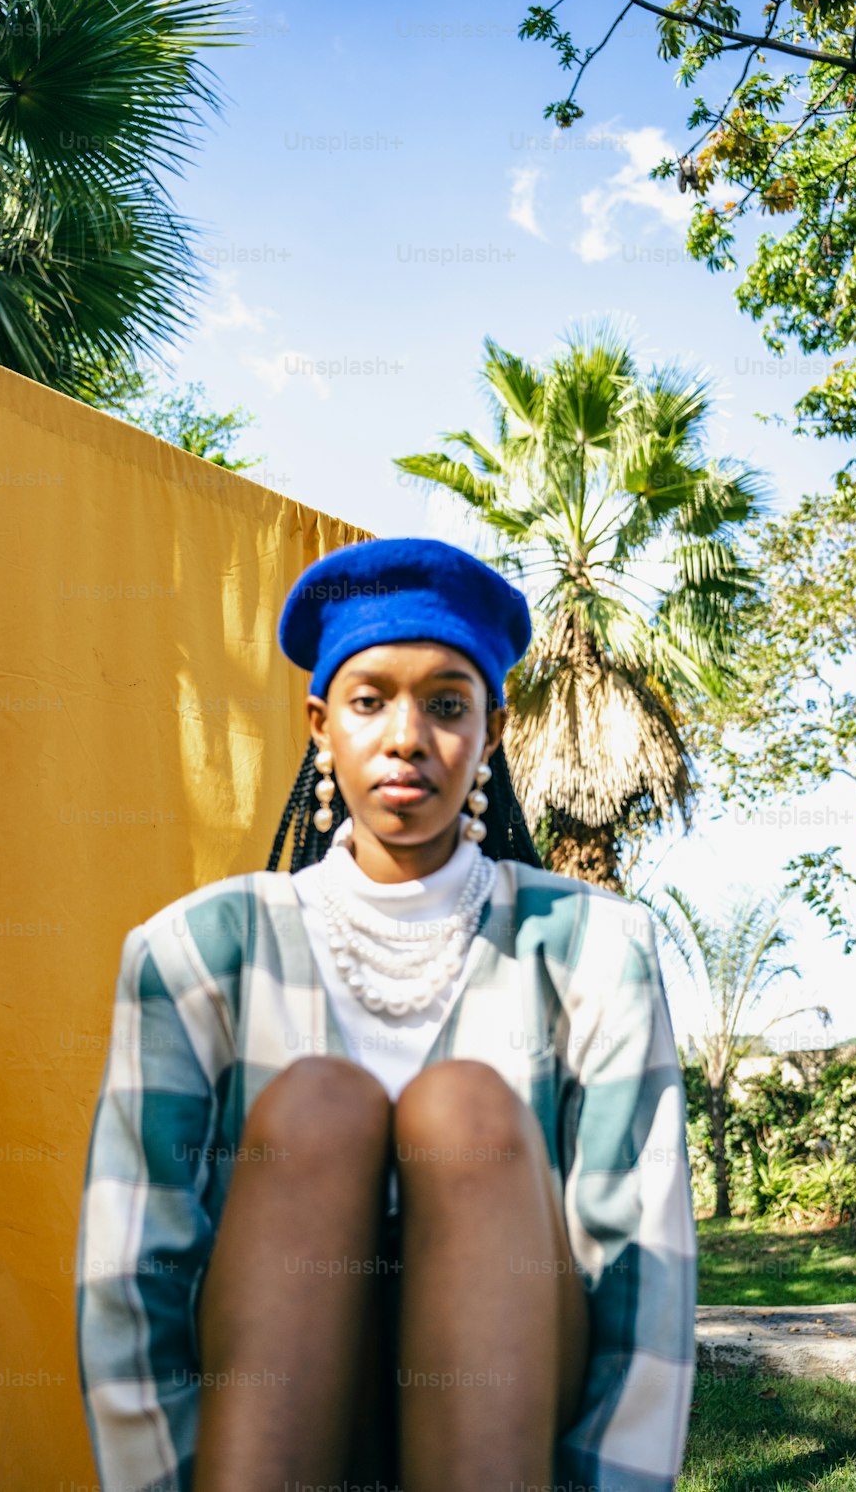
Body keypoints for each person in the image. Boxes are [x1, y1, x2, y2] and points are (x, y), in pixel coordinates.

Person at [76, 536, 697, 1492]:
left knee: (466, 1115)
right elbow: (134, 1268)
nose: (407, 736)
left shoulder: (599, 950)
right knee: (319, 1106)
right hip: (264, 1395)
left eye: (447, 705)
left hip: (515, 1399)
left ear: (491, 733)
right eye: (370, 702)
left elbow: (641, 1269)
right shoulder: (193, 952)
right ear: (322, 727)